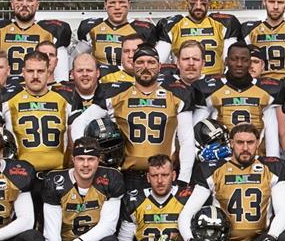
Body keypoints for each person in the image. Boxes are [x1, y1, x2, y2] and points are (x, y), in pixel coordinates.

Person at [75, 46, 198, 187]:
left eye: (151, 62)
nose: (145, 67)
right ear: (132, 65)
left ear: (159, 66)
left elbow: (187, 140)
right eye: (140, 62)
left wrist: (184, 178)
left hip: (162, 176)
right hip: (126, 176)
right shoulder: (115, 93)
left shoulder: (178, 95)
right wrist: (83, 153)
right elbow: (81, 122)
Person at [0, 48, 79, 174]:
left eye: (40, 71)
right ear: (23, 73)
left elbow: (76, 140)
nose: (35, 76)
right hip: (19, 174)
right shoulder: (6, 98)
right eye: (30, 71)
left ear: (48, 72)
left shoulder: (67, 97)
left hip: (59, 173)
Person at [192, 42, 284, 158]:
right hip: (221, 159)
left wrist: (273, 161)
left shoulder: (267, 91)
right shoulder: (209, 90)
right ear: (226, 61)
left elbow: (271, 133)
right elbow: (196, 130)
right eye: (234, 59)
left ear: (250, 63)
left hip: (255, 158)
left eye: (244, 60)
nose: (239, 64)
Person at [155, 0, 242, 79]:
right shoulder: (172, 25)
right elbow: (155, 62)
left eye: (203, 2)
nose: (198, 6)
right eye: (193, 2)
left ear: (209, 1)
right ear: (186, 1)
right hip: (185, 83)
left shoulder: (224, 23)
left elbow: (231, 61)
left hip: (215, 83)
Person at [75, 0, 158, 68]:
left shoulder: (144, 29)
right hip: (101, 78)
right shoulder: (92, 27)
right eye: (112, 3)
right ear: (105, 5)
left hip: (132, 78)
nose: (117, 7)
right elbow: (76, 57)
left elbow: (153, 62)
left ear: (129, 5)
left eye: (122, 3)